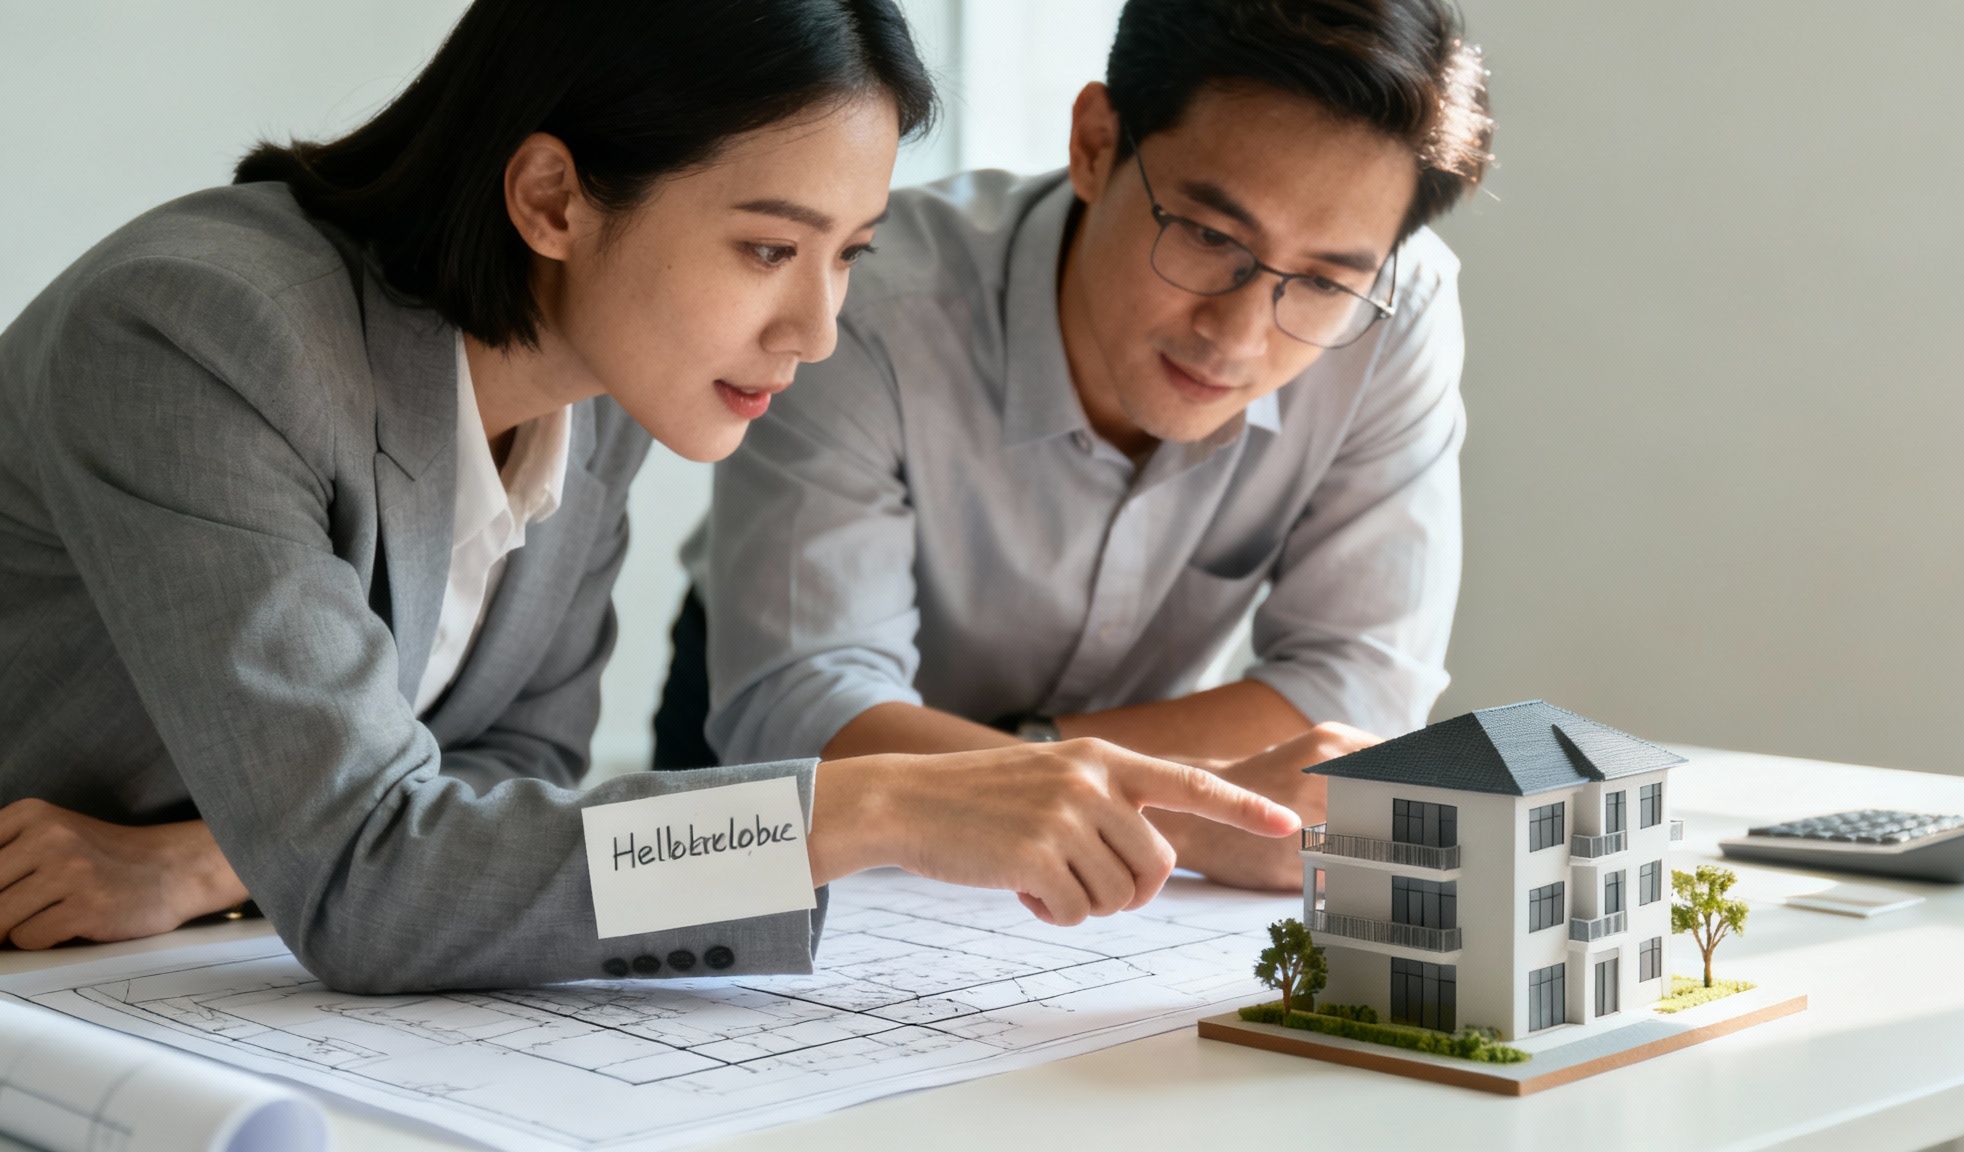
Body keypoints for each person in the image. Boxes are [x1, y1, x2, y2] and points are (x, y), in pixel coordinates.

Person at [0, 0, 1299, 991]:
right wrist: (875, 804)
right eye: (767, 249)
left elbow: (509, 775)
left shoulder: (603, 389)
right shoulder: (204, 337)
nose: (816, 329)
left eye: (845, 257)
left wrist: (212, 861)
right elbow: (366, 885)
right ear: (553, 197)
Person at [657, 0, 1495, 891]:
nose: (1239, 335)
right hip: (809, 806)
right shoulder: (863, 301)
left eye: (1325, 280)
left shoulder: (1392, 315)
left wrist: (1049, 769)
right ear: (1095, 143)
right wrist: (1178, 812)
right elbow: (807, 715)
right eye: (1211, 237)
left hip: (1104, 845)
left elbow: (1359, 694)